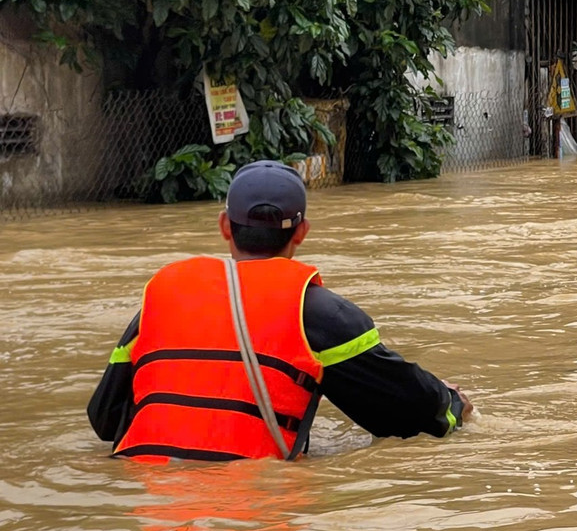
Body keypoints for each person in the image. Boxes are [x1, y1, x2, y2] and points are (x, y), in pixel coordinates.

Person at [87, 160, 472, 462]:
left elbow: (104, 419)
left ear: (225, 226)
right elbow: (409, 415)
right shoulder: (319, 312)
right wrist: (452, 403)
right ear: (301, 232)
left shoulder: (161, 296)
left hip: (146, 499)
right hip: (254, 503)